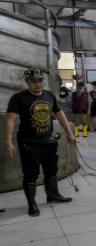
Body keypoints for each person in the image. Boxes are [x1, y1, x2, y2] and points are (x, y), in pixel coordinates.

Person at [5, 68, 75, 217]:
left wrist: (69, 133)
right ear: (27, 82)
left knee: (52, 170)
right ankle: (32, 203)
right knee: (31, 174)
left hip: (48, 141)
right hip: (28, 143)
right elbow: (10, 119)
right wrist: (8, 141)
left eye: (40, 80)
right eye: (33, 81)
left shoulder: (49, 95)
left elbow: (60, 114)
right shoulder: (18, 98)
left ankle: (53, 195)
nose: (37, 84)